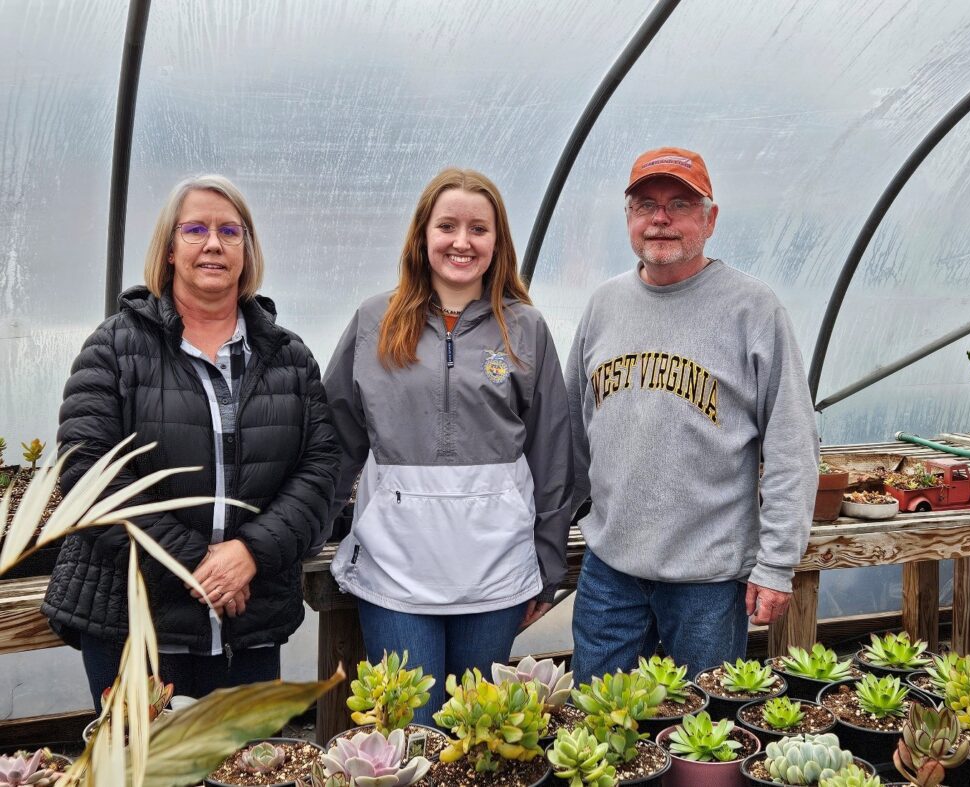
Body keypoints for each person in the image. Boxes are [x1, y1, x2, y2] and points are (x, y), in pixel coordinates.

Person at [43, 175, 341, 710]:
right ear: (170, 247)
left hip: (248, 627)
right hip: (134, 624)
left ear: (247, 251)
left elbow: (320, 471)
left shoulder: (288, 358)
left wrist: (251, 551)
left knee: (242, 767)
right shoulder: (114, 348)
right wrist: (196, 563)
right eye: (196, 229)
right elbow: (87, 473)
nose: (213, 244)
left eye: (230, 231)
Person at [323, 167, 573, 721]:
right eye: (448, 226)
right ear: (422, 236)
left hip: (495, 571)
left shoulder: (525, 329)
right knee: (414, 732)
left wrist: (548, 564)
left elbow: (554, 454)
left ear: (497, 242)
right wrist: (307, 533)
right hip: (396, 570)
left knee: (476, 734)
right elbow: (335, 438)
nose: (462, 241)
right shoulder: (375, 321)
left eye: (479, 229)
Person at [566, 147, 818, 681]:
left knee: (698, 742)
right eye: (644, 205)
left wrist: (775, 565)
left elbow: (792, 446)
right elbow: (572, 431)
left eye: (679, 204)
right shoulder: (604, 305)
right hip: (610, 575)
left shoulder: (753, 309)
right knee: (598, 737)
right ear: (629, 219)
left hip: (707, 582)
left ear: (710, 218)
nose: (660, 219)